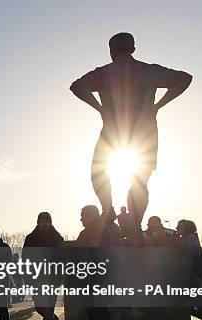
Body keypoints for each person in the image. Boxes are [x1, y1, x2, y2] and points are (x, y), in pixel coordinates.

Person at [70, 32, 192, 234]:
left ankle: (108, 212)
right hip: (144, 132)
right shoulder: (148, 71)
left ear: (111, 51)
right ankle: (134, 222)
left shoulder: (104, 73)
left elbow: (77, 86)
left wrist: (100, 107)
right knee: (140, 179)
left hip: (114, 130)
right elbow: (185, 79)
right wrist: (158, 105)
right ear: (133, 49)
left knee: (98, 172)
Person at [23, 212, 66, 320]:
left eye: (46, 221)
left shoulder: (57, 239)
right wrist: (27, 278)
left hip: (52, 279)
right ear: (38, 222)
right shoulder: (30, 239)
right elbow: (25, 260)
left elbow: (62, 261)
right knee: (39, 308)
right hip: (36, 279)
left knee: (48, 309)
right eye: (42, 221)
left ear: (50, 222)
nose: (44, 224)